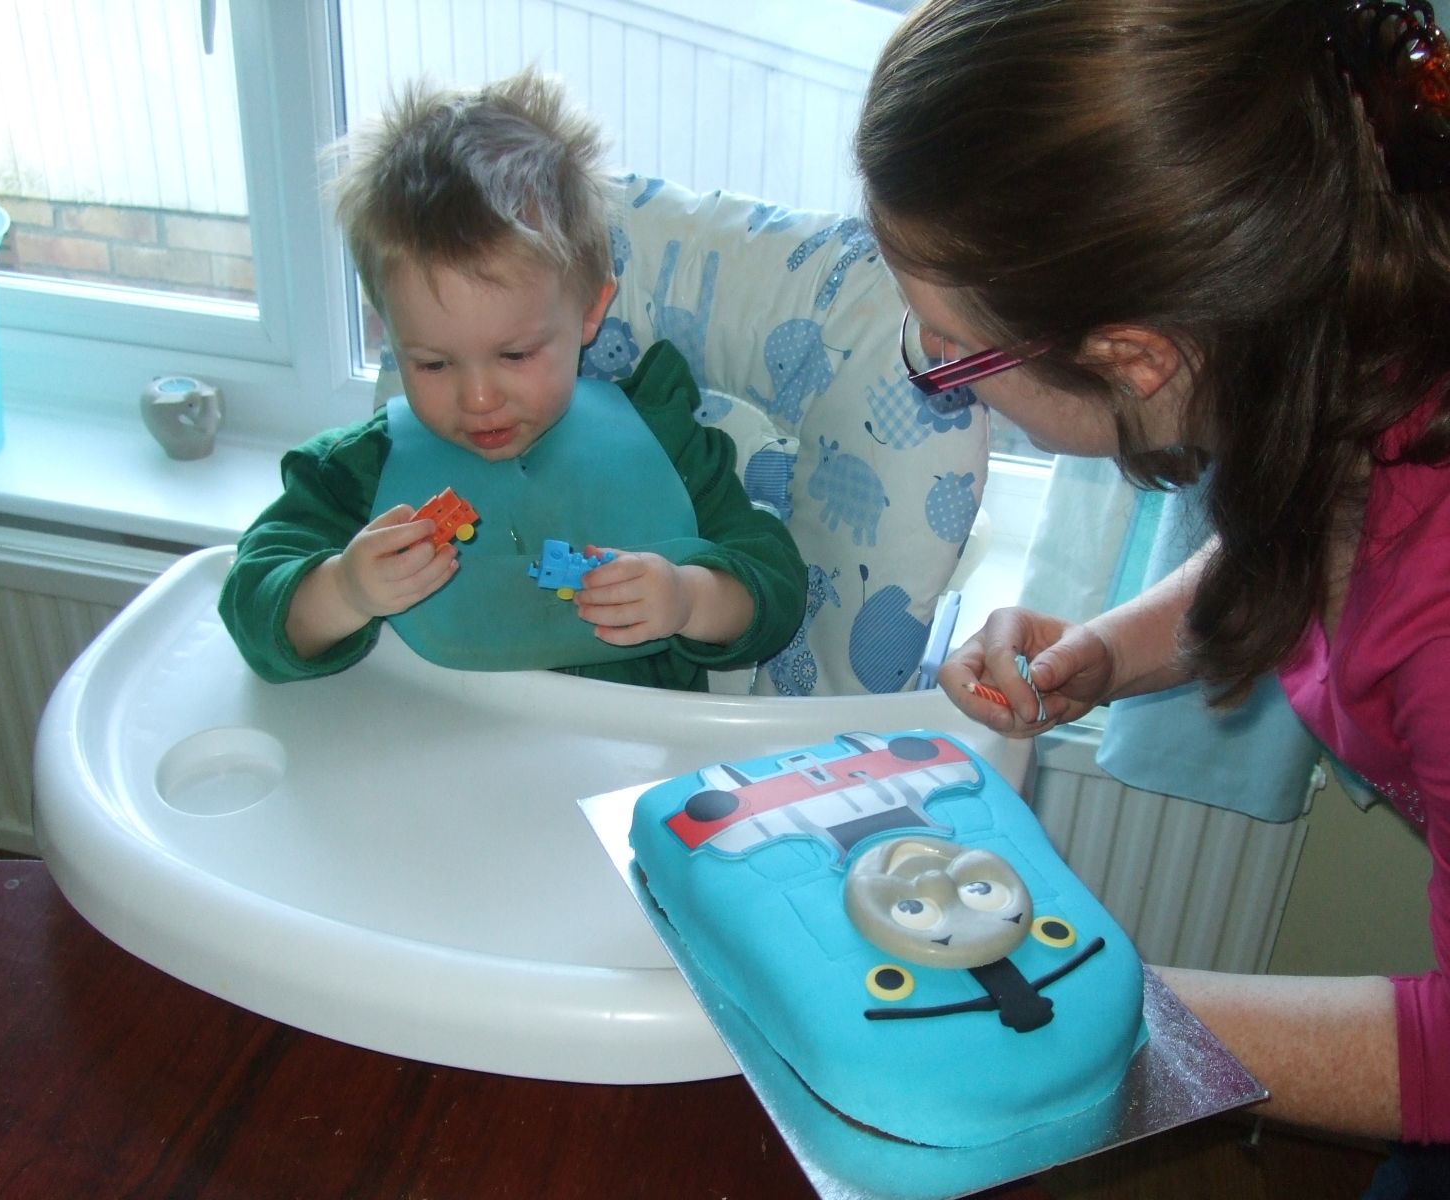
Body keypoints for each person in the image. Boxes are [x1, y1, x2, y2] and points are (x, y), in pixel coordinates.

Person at [855, 0, 1450, 1191]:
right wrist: (1113, 649)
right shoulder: (1345, 355)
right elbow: (1304, 534)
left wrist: (1085, 1008)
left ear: (1134, 361)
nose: (941, 378)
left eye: (952, 349)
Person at [220, 68, 806, 689]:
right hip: (434, 743)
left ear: (589, 312)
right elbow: (250, 603)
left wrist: (689, 599)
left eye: (517, 355)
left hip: (628, 748)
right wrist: (343, 590)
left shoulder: (665, 441)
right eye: (434, 363)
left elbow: (774, 586)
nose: (478, 399)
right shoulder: (358, 471)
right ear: (389, 332)